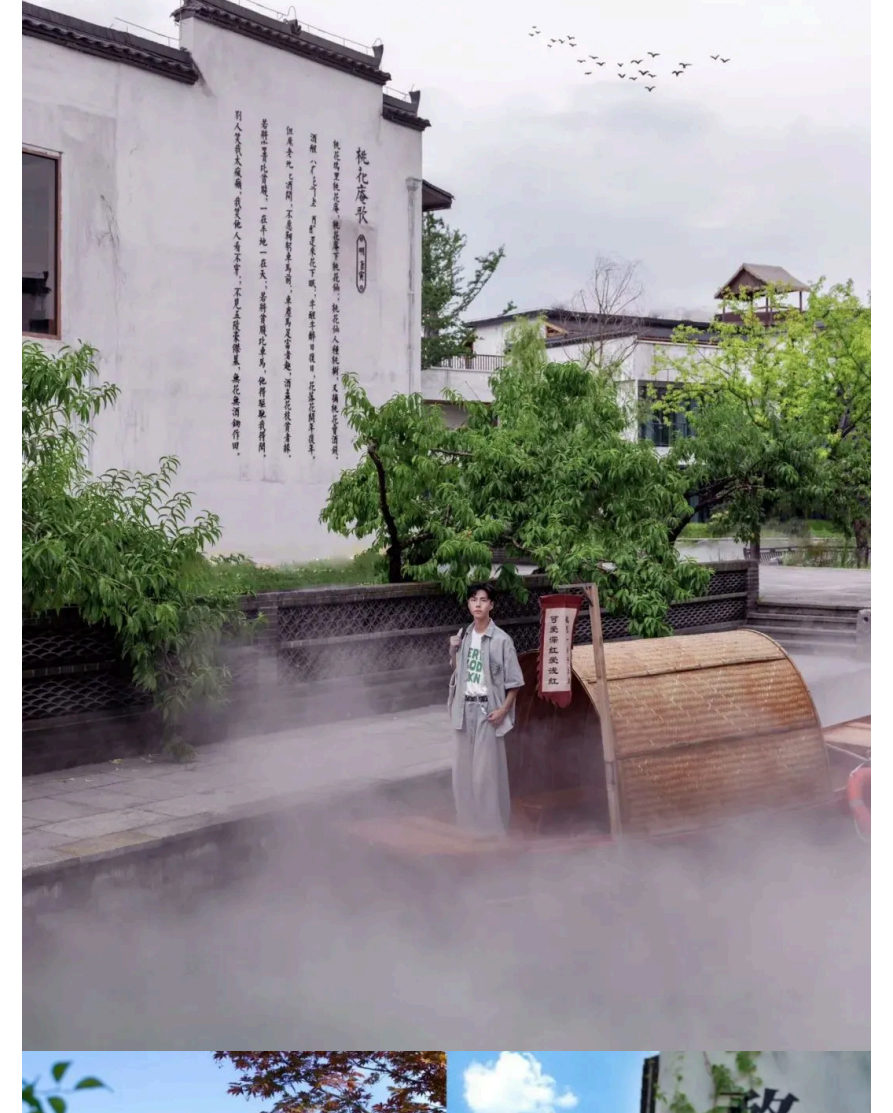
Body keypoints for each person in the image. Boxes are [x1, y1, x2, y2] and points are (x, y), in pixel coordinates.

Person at [448, 582, 524, 836]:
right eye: (473, 600)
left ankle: (492, 830)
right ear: (468, 604)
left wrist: (503, 710)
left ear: (491, 605)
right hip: (463, 711)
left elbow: (515, 682)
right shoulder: (464, 637)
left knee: (485, 776)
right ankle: (467, 827)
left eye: (483, 600)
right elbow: (459, 672)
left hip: (487, 712)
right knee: (461, 774)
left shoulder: (502, 640)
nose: (478, 604)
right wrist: (453, 649)